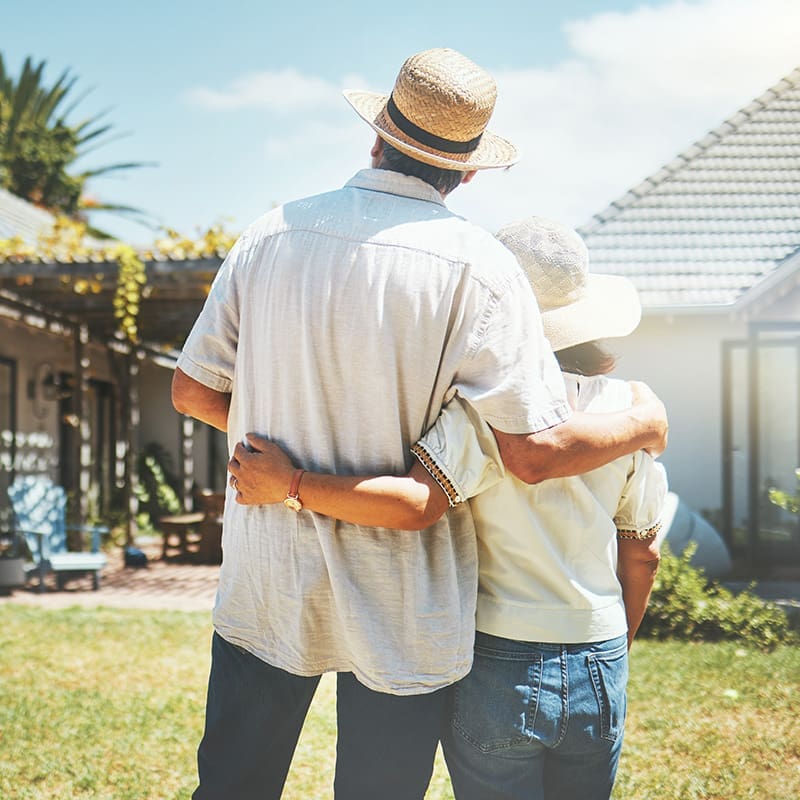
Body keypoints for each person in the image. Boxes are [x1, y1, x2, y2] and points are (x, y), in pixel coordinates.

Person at [173, 46, 668, 800]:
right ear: (470, 171)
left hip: (269, 574)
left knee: (234, 786)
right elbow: (530, 454)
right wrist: (643, 423)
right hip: (401, 598)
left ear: (375, 135)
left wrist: (278, 464)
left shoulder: (270, 233)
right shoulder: (480, 266)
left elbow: (190, 390)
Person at [231, 217, 667, 800]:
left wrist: (292, 483)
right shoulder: (629, 412)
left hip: (502, 653)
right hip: (600, 654)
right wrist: (613, 644)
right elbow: (643, 553)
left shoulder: (481, 413)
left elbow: (416, 502)